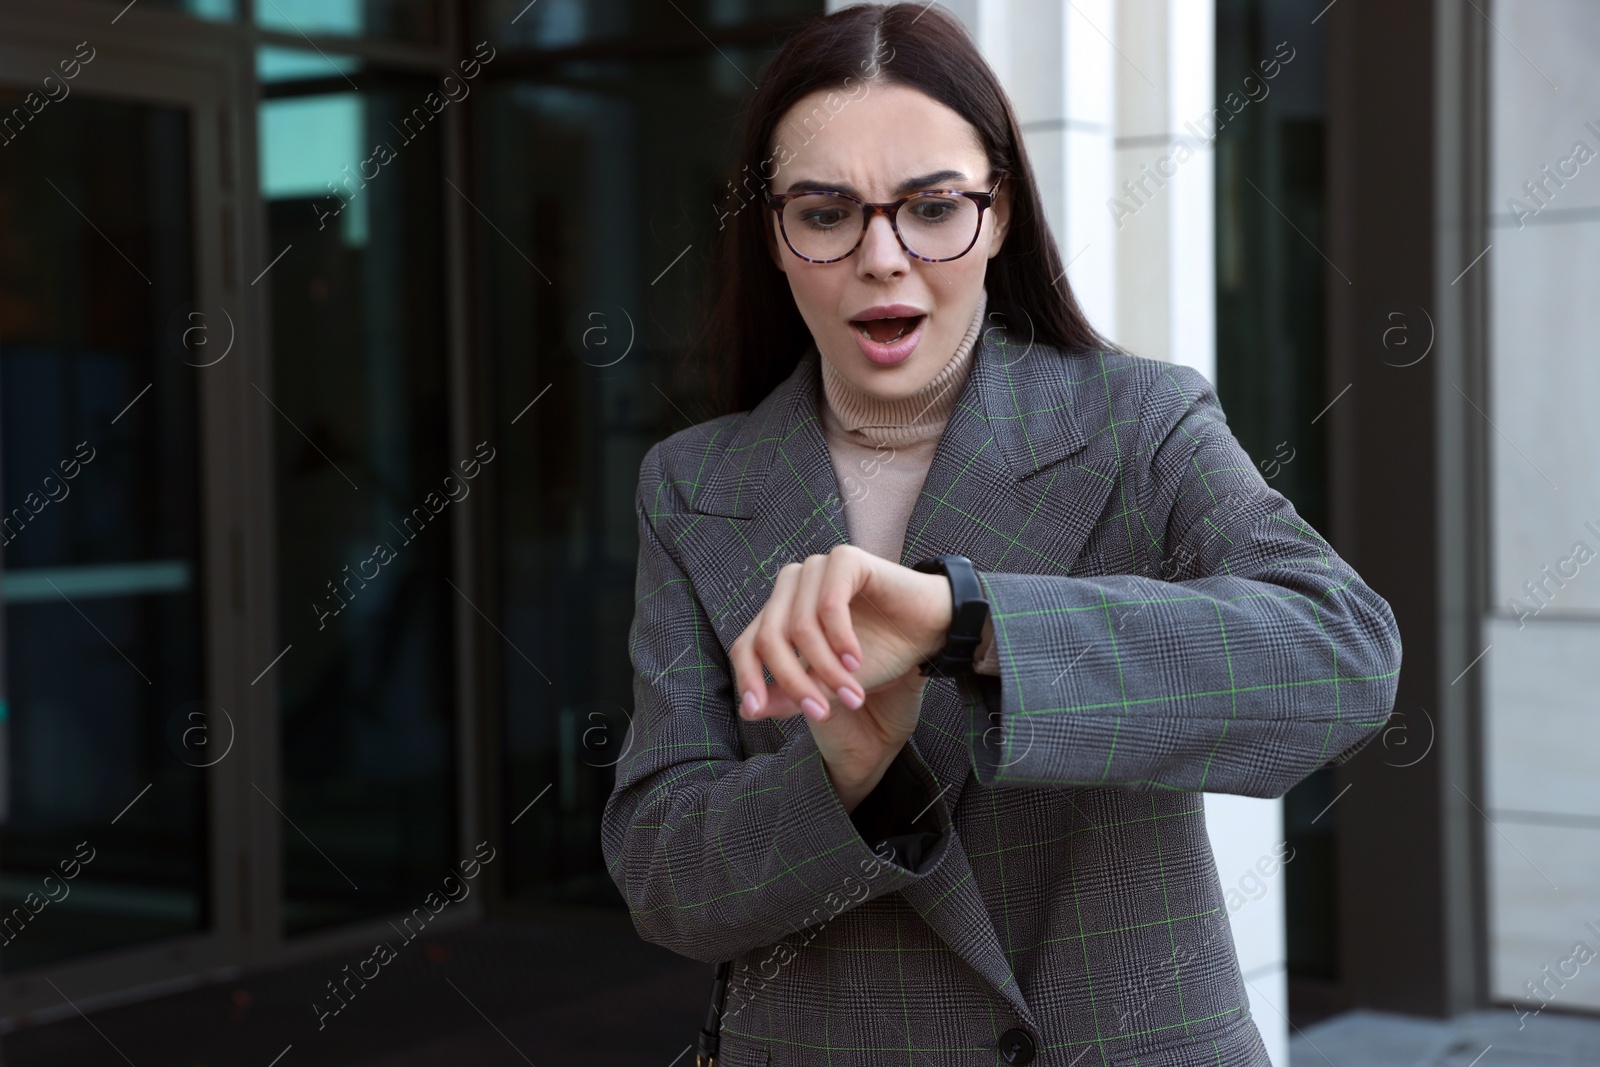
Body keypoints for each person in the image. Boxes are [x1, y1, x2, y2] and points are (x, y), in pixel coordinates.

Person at [602, 4, 1402, 1064]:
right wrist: (841, 770)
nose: (882, 255)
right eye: (826, 211)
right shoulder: (693, 483)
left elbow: (1340, 659)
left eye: (932, 207)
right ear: (774, 233)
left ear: (1002, 210)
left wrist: (968, 622)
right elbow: (666, 878)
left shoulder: (1138, 423)